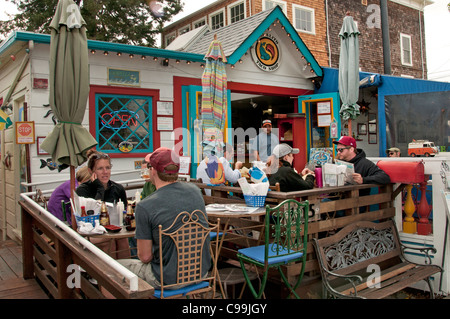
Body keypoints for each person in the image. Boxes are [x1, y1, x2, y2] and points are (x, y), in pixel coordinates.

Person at [118, 147, 210, 289]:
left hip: (168, 279)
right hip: (200, 273)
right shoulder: (195, 192)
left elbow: (145, 257)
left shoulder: (145, 206)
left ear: (153, 170)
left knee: (111, 267)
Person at [76, 149, 129, 258]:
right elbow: (92, 212)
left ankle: (126, 271)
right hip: (90, 233)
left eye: (108, 168)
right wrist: (100, 189)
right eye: (100, 168)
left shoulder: (118, 188)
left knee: (122, 239)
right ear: (91, 171)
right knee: (109, 241)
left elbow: (125, 212)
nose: (105, 172)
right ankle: (108, 274)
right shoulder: (83, 190)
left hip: (113, 230)